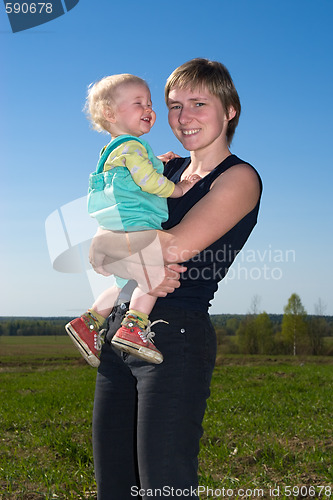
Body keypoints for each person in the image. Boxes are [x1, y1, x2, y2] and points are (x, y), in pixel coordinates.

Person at [89, 58, 262, 499]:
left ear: (229, 111)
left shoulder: (239, 179)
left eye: (199, 103)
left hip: (173, 337)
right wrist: (115, 255)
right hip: (119, 332)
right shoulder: (161, 172)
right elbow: (98, 244)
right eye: (174, 105)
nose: (183, 117)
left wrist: (112, 253)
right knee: (115, 485)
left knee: (164, 486)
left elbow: (170, 249)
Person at [66, 74, 198, 368]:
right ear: (110, 114)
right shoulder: (134, 148)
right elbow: (148, 182)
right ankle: (134, 326)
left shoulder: (114, 148)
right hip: (135, 222)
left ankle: (89, 322)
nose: (148, 109)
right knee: (158, 271)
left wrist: (156, 160)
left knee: (127, 280)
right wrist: (178, 188)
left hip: (113, 224)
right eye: (138, 103)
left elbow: (133, 171)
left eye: (150, 104)